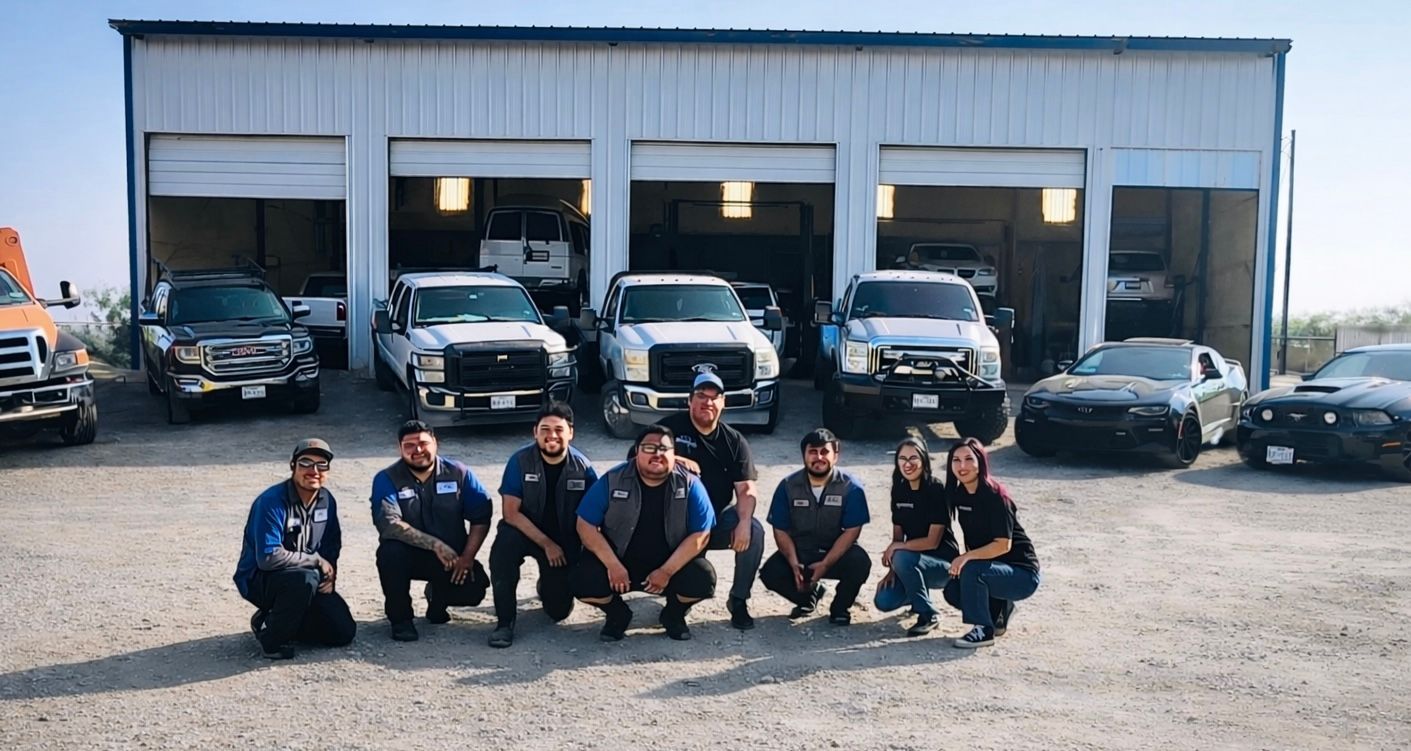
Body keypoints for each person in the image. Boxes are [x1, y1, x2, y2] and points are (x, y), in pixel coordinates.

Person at [574, 424, 717, 642]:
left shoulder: (690, 484)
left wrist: (666, 572)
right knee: (581, 580)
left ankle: (674, 614)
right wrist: (613, 565)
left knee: (703, 579)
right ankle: (617, 615)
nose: (657, 454)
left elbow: (701, 534)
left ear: (674, 454)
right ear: (636, 451)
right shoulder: (613, 479)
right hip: (620, 562)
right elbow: (585, 525)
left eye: (663, 449)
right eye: (649, 448)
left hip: (670, 563)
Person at [660, 371, 765, 630]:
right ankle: (675, 605)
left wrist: (743, 521)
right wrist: (675, 460)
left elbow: (746, 488)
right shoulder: (668, 429)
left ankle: (738, 600)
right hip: (670, 523)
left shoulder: (734, 441)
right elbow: (636, 458)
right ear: (689, 401)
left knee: (754, 530)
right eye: (700, 396)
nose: (707, 402)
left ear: (723, 403)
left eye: (713, 397)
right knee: (693, 574)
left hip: (713, 521)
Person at [370, 420, 493, 642]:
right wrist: (434, 545)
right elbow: (389, 523)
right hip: (409, 555)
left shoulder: (458, 473)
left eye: (423, 443)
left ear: (436, 443)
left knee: (474, 589)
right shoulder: (387, 478)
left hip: (451, 558)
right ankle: (401, 620)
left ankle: (437, 600)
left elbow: (481, 516)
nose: (417, 450)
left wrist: (467, 557)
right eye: (409, 445)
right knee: (389, 553)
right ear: (400, 448)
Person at [488, 402, 599, 648]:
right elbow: (510, 513)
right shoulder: (519, 461)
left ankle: (547, 584)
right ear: (534, 432)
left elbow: (593, 516)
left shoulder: (584, 468)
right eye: (545, 429)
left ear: (571, 432)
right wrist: (547, 544)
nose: (552, 436)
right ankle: (504, 623)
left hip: (563, 538)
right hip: (523, 530)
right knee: (503, 550)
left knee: (558, 612)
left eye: (559, 429)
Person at [233, 439, 356, 659]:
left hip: (306, 579)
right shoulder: (271, 501)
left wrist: (331, 575)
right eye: (306, 463)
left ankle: (274, 618)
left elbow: (331, 545)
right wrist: (317, 562)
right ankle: (271, 640)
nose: (314, 470)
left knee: (342, 632)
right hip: (261, 579)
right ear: (293, 466)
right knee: (304, 578)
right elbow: (267, 557)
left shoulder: (327, 500)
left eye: (321, 465)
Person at [760, 428, 872, 625]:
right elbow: (780, 529)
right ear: (804, 455)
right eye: (813, 452)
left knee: (860, 562)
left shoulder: (851, 488)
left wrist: (826, 564)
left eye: (824, 452)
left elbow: (853, 531)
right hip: (802, 552)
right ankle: (808, 597)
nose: (818, 457)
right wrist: (794, 563)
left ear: (835, 455)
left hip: (836, 552)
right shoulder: (787, 486)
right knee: (770, 573)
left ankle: (840, 608)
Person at [941, 437, 1041, 648]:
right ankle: (1001, 608)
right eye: (956, 460)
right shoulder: (959, 494)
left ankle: (982, 630)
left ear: (981, 462)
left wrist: (966, 558)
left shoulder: (996, 496)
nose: (962, 466)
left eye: (969, 459)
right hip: (994, 570)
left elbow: (1002, 545)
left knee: (972, 570)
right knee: (953, 590)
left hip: (1021, 574)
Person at [872, 436, 959, 636]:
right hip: (911, 561)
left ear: (924, 460)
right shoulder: (899, 488)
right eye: (902, 458)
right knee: (884, 601)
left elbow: (932, 541)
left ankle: (928, 614)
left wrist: (897, 551)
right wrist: (893, 571)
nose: (908, 464)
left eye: (913, 458)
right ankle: (918, 595)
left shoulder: (935, 489)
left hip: (944, 565)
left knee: (901, 555)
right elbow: (897, 538)